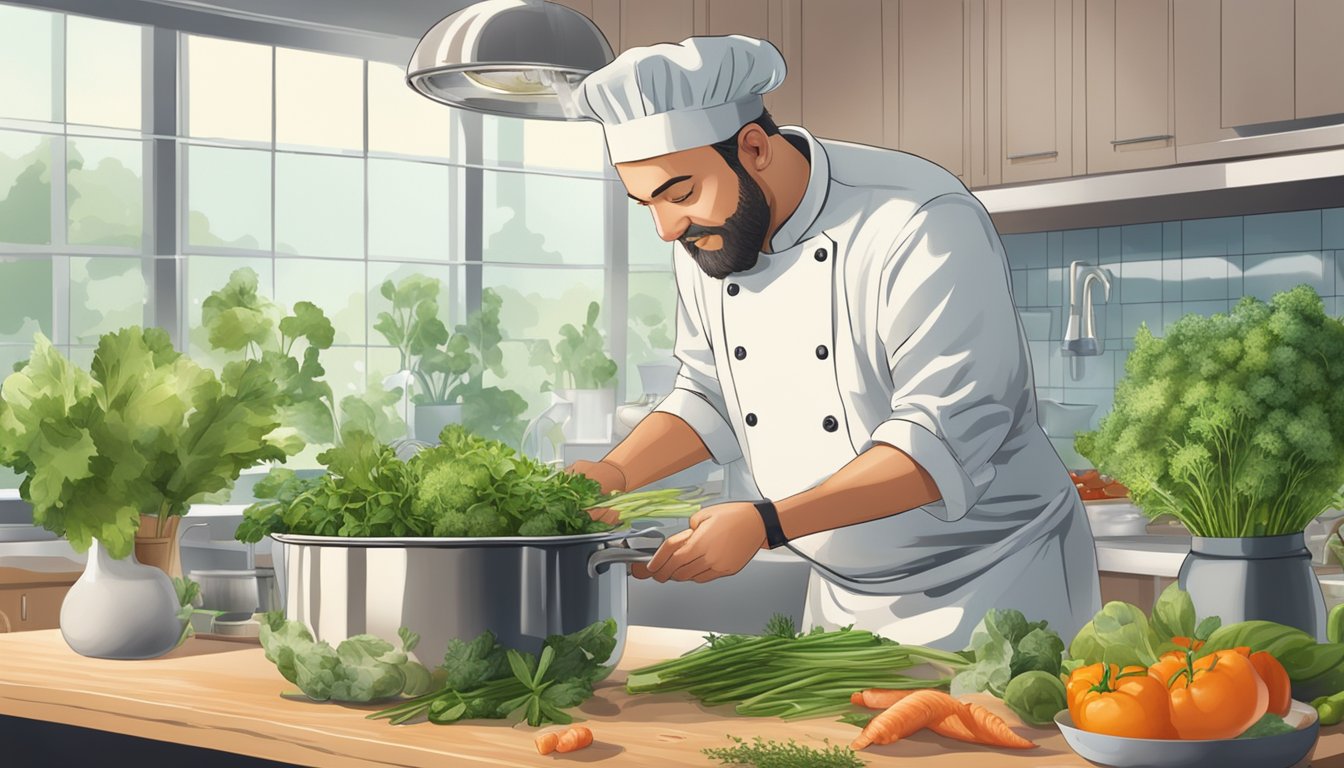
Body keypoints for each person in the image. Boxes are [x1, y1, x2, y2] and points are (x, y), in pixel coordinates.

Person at [566, 34, 1101, 650]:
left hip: (995, 590)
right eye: (646, 204)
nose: (666, 229)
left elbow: (940, 441)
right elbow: (712, 394)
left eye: (680, 193)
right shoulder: (710, 237)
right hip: (843, 603)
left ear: (755, 147)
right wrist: (612, 473)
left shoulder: (917, 221)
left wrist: (767, 524)